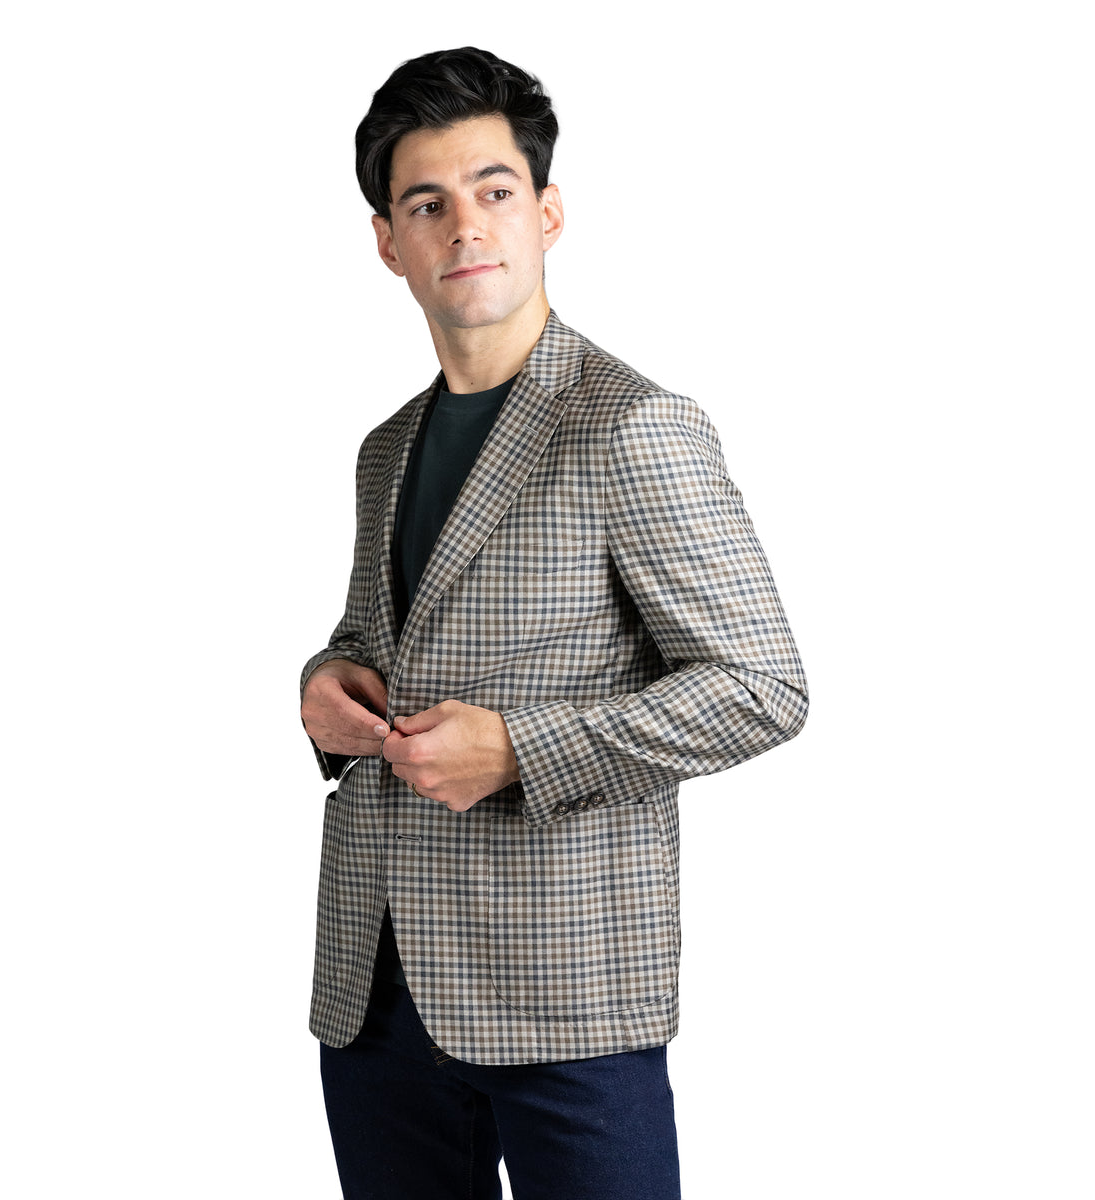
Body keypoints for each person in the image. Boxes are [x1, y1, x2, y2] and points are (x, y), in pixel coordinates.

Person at [299, 46, 807, 1200]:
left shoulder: (633, 425)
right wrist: (329, 682)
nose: (464, 225)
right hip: (376, 989)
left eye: (494, 190)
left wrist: (519, 750)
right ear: (388, 242)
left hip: (566, 992)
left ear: (548, 212)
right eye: (427, 204)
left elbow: (762, 686)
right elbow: (376, 638)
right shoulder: (386, 448)